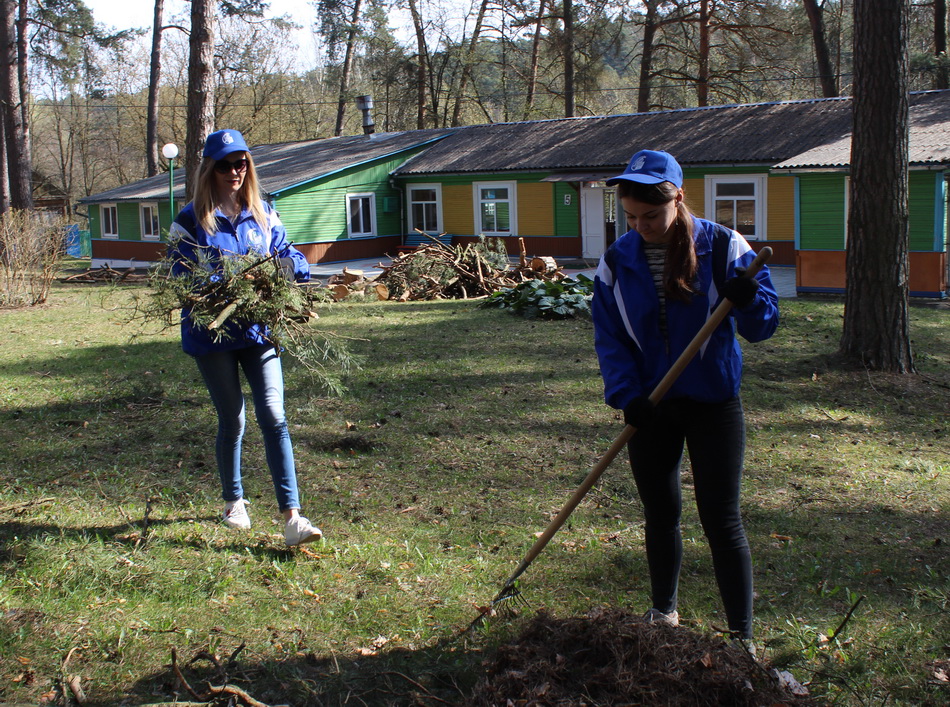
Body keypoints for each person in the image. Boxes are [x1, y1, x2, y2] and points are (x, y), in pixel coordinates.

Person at [591, 149, 779, 641]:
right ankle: (663, 615)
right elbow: (610, 337)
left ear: (677, 197)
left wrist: (747, 299)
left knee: (721, 519)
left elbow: (764, 326)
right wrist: (627, 394)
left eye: (650, 215)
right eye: (630, 216)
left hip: (713, 402)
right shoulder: (617, 260)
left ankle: (742, 638)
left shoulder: (722, 246)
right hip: (650, 407)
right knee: (660, 513)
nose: (640, 226)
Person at [167, 128, 322, 547]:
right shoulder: (189, 220)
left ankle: (293, 517)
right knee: (233, 418)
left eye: (241, 163)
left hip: (259, 329)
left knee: (274, 415)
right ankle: (233, 500)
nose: (235, 171)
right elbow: (178, 274)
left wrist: (286, 270)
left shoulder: (263, 212)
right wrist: (227, 279)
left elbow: (288, 252)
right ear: (210, 170)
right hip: (213, 334)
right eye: (225, 165)